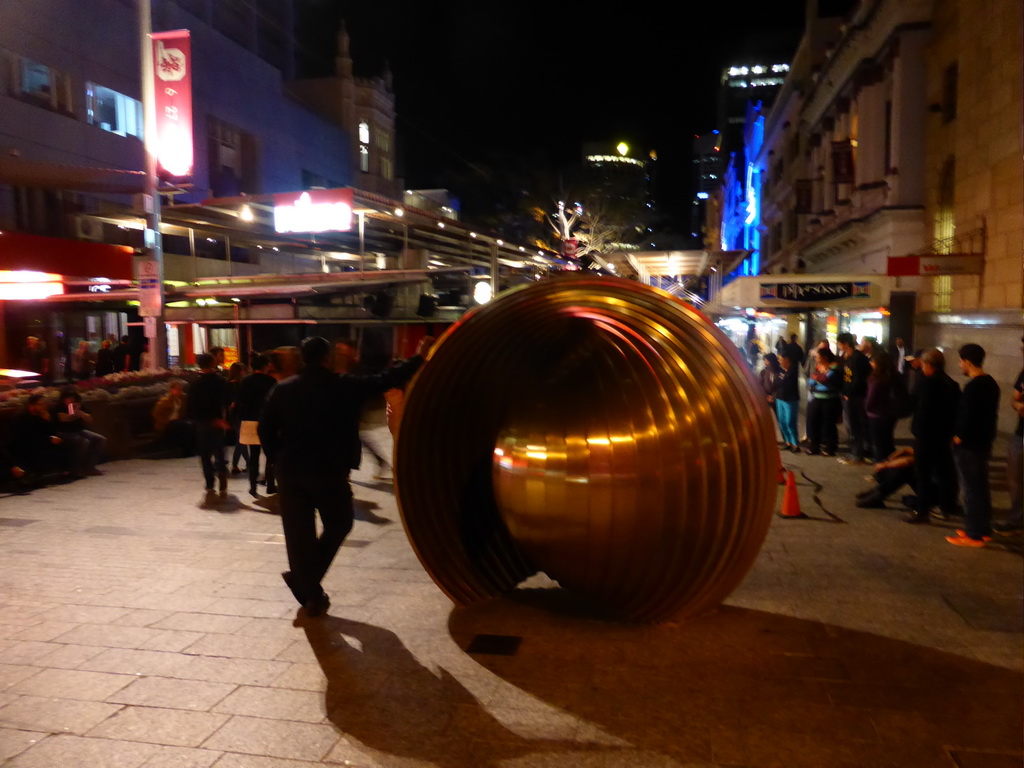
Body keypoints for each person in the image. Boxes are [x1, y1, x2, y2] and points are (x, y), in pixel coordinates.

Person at [259, 335, 432, 617]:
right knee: (339, 523)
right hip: (328, 470)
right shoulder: (343, 387)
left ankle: (309, 590)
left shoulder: (283, 389)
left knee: (298, 535)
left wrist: (278, 459)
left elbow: (266, 427)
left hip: (291, 472)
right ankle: (308, 586)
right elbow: (385, 378)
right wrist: (420, 357)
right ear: (327, 358)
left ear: (304, 359)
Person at [946, 344, 1000, 547]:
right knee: (980, 488)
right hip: (983, 443)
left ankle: (974, 534)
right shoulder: (991, 383)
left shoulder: (974, 386)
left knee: (971, 490)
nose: (960, 365)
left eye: (961, 361)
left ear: (967, 362)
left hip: (969, 446)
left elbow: (968, 417)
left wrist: (958, 437)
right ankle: (982, 529)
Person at [903, 348, 961, 525]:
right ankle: (945, 507)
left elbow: (920, 409)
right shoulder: (951, 384)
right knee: (944, 473)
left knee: (923, 474)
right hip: (943, 437)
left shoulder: (926, 383)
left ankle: (922, 510)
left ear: (928, 365)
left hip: (926, 436)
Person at [187, 353, 230, 499]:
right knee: (219, 450)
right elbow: (226, 401)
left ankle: (210, 482)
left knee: (205, 454)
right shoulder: (220, 381)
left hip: (202, 422)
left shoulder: (194, 383)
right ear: (213, 363)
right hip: (217, 420)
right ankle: (222, 477)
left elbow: (191, 404)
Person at [233, 354, 276, 497]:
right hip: (268, 421)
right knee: (270, 454)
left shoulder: (245, 381)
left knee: (254, 455)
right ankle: (270, 484)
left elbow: (239, 401)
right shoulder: (271, 381)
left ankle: (253, 486)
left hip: (249, 420)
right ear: (265, 366)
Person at [995, 340, 1024, 532]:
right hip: (1020, 433)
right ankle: (1017, 518)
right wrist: (1018, 405)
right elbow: (1015, 397)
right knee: (1016, 477)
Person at [12, 394, 70, 479]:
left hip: (40, 439)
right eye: (40, 404)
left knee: (63, 442)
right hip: (25, 443)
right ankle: (35, 476)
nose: (44, 406)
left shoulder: (41, 414)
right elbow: (27, 435)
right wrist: (48, 439)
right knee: (34, 449)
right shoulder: (22, 417)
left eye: (44, 404)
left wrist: (47, 419)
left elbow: (50, 431)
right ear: (32, 406)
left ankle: (66, 471)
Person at [52, 387, 106, 476]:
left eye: (72, 398)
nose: (70, 400)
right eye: (68, 398)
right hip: (64, 432)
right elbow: (64, 418)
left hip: (78, 430)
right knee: (83, 442)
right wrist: (72, 413)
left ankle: (90, 466)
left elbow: (90, 419)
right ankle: (75, 468)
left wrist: (81, 413)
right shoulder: (58, 407)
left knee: (100, 439)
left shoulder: (80, 406)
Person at [837, 332, 872, 464]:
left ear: (846, 344)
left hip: (857, 397)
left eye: (840, 344)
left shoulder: (858, 358)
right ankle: (856, 452)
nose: (839, 347)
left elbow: (859, 380)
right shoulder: (849, 358)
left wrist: (848, 393)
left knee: (857, 425)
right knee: (852, 425)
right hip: (849, 396)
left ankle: (859, 454)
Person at [805, 347, 841, 456]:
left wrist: (817, 378)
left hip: (830, 400)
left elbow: (825, 379)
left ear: (825, 357)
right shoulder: (818, 367)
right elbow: (811, 381)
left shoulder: (834, 368)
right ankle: (814, 447)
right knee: (813, 422)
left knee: (828, 424)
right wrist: (817, 378)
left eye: (818, 357)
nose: (816, 359)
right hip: (816, 398)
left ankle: (830, 448)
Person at [864, 351, 896, 463]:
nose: (871, 363)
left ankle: (881, 472)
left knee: (878, 445)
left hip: (876, 415)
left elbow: (871, 398)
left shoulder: (876, 379)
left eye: (872, 361)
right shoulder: (892, 376)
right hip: (890, 414)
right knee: (888, 443)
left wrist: (866, 407)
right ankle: (891, 467)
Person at [151, 379, 195, 456]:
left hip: (177, 422)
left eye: (180, 389)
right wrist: (166, 421)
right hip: (167, 423)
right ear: (172, 390)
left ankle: (190, 449)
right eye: (177, 389)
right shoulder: (165, 401)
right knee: (184, 426)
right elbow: (156, 414)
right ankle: (187, 451)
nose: (179, 391)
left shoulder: (182, 399)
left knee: (188, 425)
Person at [774, 350, 801, 452]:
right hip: (780, 399)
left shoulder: (792, 371)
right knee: (782, 422)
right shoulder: (780, 370)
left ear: (787, 359)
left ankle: (795, 443)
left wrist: (782, 380)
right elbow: (777, 382)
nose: (779, 361)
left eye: (780, 359)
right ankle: (787, 442)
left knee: (790, 422)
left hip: (790, 399)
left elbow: (785, 383)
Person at [226, 361, 249, 474]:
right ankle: (235, 464)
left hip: (233, 415)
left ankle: (248, 463)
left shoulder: (228, 385)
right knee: (241, 440)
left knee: (242, 439)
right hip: (240, 414)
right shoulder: (240, 385)